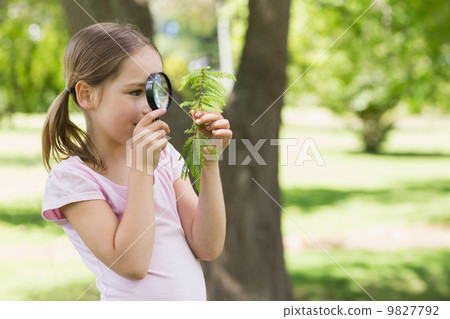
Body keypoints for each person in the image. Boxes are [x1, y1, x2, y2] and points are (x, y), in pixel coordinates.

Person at [41, 23, 231, 301]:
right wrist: (142, 170)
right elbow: (132, 265)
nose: (150, 106)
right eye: (135, 92)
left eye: (155, 91)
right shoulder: (73, 179)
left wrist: (210, 162)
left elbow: (208, 246)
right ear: (86, 95)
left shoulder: (164, 157)